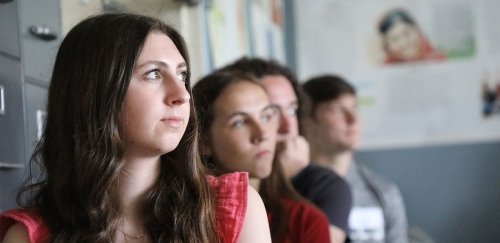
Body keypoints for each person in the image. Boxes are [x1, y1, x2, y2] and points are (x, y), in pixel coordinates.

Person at [0, 13, 271, 243]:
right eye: (153, 73)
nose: (183, 94)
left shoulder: (233, 211)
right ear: (96, 93)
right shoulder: (28, 237)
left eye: (182, 75)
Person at [219, 57, 352, 243]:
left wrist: (277, 179)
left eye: (292, 110)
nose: (288, 126)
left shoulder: (325, 186)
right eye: (271, 113)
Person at [193, 71, 331, 243]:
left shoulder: (305, 221)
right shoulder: (185, 214)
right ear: (203, 142)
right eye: (240, 122)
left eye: (266, 117)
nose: (262, 134)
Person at [302, 74, 409, 243]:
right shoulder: (289, 191)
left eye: (355, 108)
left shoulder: (383, 193)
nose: (353, 120)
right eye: (336, 110)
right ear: (307, 121)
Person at [378, 8, 446, 64]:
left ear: (417, 32)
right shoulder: (385, 71)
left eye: (407, 34)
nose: (404, 42)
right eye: (395, 39)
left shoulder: (438, 61)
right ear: (387, 47)